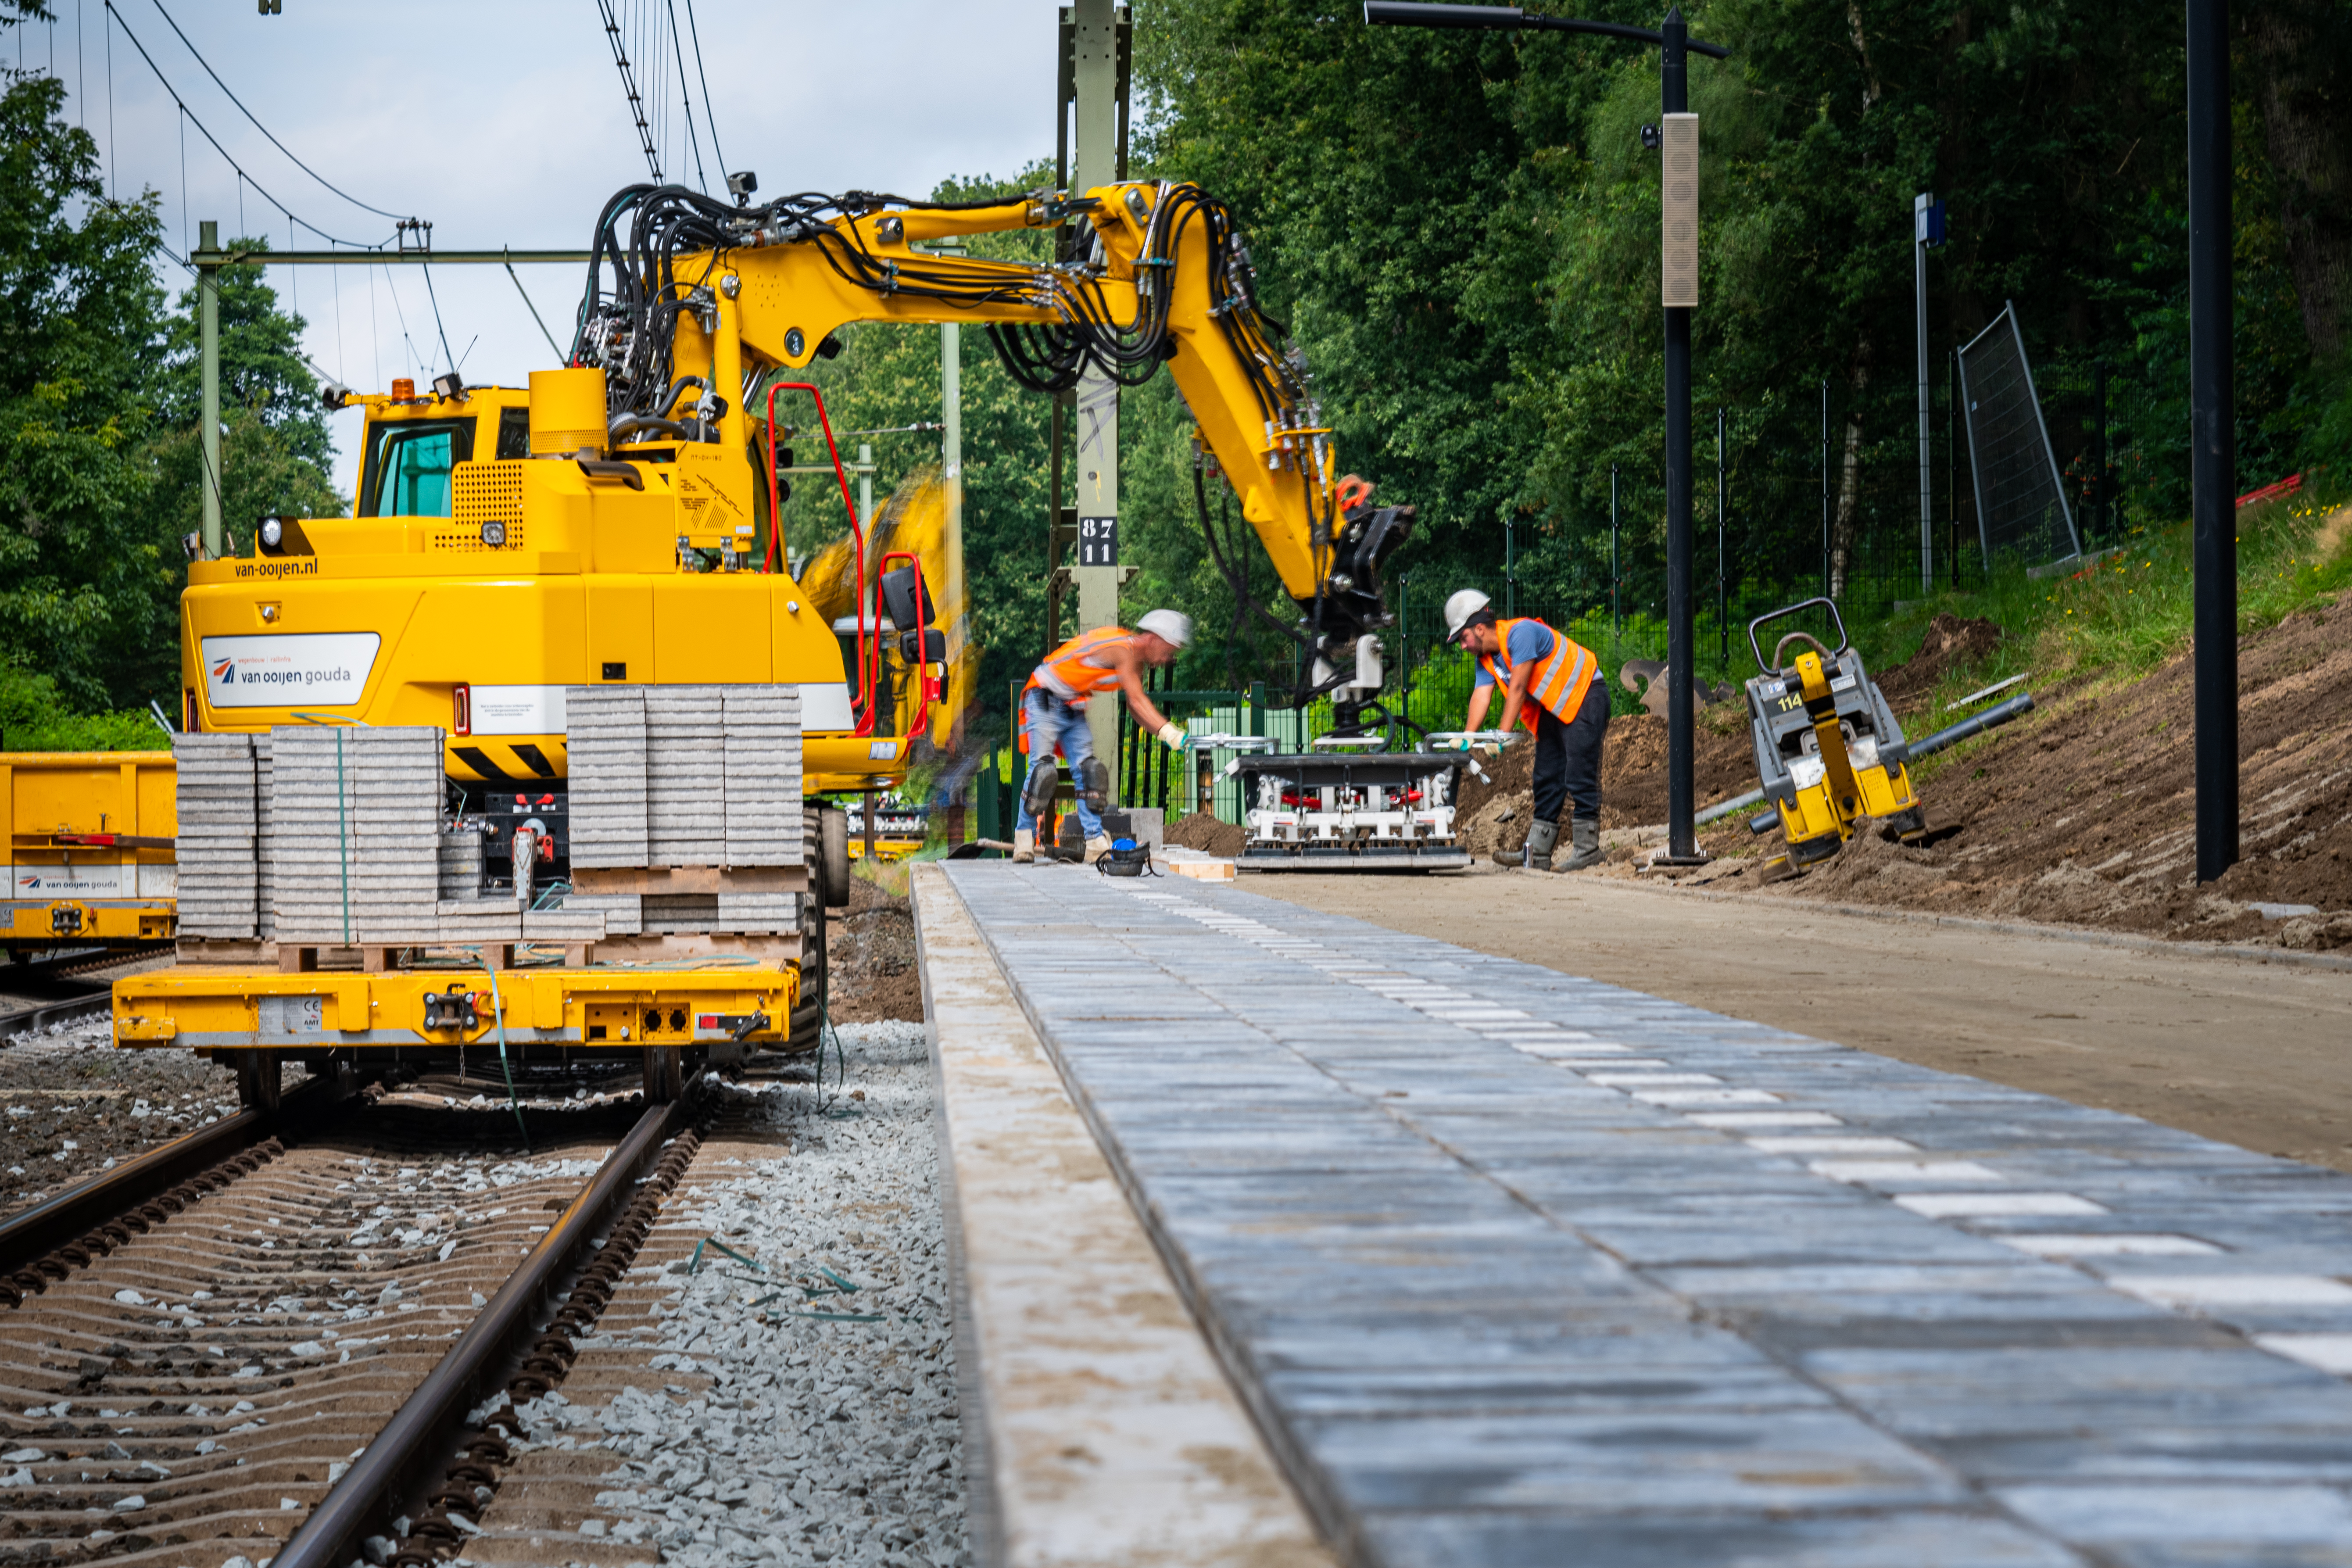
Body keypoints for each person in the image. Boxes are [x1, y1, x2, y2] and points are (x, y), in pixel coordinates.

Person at [1444, 589, 1607, 872]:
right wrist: (1467, 738)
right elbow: (1482, 695)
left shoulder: (1521, 634)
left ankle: (1588, 850)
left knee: (1579, 774)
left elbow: (1518, 688)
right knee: (1546, 776)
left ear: (1479, 628)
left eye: (1463, 638)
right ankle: (1537, 853)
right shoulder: (1487, 658)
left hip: (1586, 696)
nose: (1462, 645)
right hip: (1555, 708)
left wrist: (1502, 734)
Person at [1014, 609, 1193, 863]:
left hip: (1072, 704)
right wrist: (1168, 730)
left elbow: (1134, 708)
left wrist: (1165, 735)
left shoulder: (1136, 664)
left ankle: (1095, 842)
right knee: (1041, 771)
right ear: (1154, 638)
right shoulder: (1123, 649)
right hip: (1044, 695)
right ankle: (1023, 839)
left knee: (1090, 772)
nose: (1169, 658)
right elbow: (1137, 700)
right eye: (1169, 650)